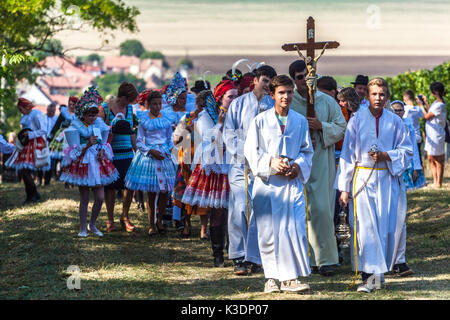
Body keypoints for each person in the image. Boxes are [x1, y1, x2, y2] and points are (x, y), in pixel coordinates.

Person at [336, 78, 413, 293]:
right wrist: (344, 187)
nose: (378, 98)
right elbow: (348, 155)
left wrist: (387, 155)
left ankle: (378, 276)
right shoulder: (357, 119)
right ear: (367, 96)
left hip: (387, 179)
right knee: (364, 229)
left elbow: (407, 150)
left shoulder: (395, 121)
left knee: (385, 229)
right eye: (374, 94)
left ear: (386, 96)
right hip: (362, 179)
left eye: (381, 94)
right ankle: (367, 277)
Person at [244, 75, 314, 293]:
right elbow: (251, 151)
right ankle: (271, 278)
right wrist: (270, 162)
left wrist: (298, 166)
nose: (286, 96)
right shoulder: (260, 120)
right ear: (272, 95)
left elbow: (306, 150)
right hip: (268, 183)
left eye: (289, 92)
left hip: (291, 184)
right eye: (281, 92)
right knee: (268, 230)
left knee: (293, 228)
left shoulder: (300, 121)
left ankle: (290, 277)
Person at [289, 59, 347, 277]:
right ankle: (301, 258)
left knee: (322, 210)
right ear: (294, 80)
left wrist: (322, 127)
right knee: (299, 211)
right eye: (300, 77)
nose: (306, 80)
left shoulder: (326, 101)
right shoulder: (289, 101)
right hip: (296, 163)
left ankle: (325, 259)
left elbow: (342, 127)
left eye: (309, 75)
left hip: (322, 160)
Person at [223, 65, 277, 275]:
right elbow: (229, 132)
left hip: (263, 165)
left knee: (260, 209)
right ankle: (238, 256)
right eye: (264, 80)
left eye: (270, 82)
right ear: (255, 80)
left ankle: (255, 256)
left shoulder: (272, 105)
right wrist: (244, 153)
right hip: (241, 163)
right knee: (240, 207)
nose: (266, 85)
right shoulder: (238, 104)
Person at [182, 81, 238, 267]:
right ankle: (217, 254)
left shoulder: (238, 114)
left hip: (234, 165)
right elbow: (208, 139)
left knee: (236, 212)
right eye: (230, 96)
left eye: (236, 96)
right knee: (218, 212)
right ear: (220, 98)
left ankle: (236, 251)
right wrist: (221, 124)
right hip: (215, 167)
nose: (234, 99)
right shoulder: (207, 116)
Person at [60, 87, 118, 237]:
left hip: (98, 163)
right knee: (84, 198)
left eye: (94, 114)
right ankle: (83, 228)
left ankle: (93, 224)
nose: (92, 117)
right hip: (83, 164)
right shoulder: (75, 128)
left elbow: (105, 143)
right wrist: (87, 145)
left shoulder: (100, 125)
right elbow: (73, 152)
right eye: (89, 114)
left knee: (99, 197)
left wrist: (101, 151)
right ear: (83, 114)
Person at [125, 90, 176, 236]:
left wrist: (166, 149)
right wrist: (150, 151)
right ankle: (151, 224)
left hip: (164, 155)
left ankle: (159, 220)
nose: (157, 106)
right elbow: (140, 140)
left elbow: (169, 138)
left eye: (159, 103)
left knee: (165, 191)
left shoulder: (165, 118)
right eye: (154, 103)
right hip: (150, 156)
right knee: (152, 192)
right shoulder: (144, 120)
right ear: (148, 104)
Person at [98, 82, 139, 232]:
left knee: (129, 185)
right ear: (122, 97)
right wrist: (110, 129)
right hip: (111, 154)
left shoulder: (129, 108)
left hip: (127, 153)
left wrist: (137, 150)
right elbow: (97, 129)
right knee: (111, 187)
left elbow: (132, 131)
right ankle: (110, 220)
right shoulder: (105, 108)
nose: (130, 103)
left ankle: (125, 217)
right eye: (129, 99)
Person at [5, 98, 50, 204]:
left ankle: (33, 194)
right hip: (25, 143)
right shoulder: (25, 116)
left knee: (25, 170)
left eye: (21, 109)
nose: (20, 111)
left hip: (34, 144)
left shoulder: (37, 114)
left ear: (25, 107)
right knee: (23, 170)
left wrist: (29, 134)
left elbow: (43, 130)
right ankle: (31, 194)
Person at [417, 82, 447, 188]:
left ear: (436, 91)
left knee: (438, 158)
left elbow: (427, 116)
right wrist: (426, 103)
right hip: (431, 135)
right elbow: (431, 111)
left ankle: (439, 182)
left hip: (436, 134)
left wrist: (420, 105)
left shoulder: (440, 105)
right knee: (430, 157)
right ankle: (435, 181)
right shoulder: (437, 102)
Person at [48, 97, 78, 179]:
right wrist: (51, 135)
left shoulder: (78, 114)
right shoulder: (64, 113)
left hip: (73, 135)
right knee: (58, 155)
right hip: (62, 135)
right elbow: (57, 124)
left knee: (69, 155)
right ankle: (54, 173)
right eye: (70, 104)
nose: (72, 106)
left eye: (74, 104)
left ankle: (64, 173)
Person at [37, 102, 57, 186]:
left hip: (52, 143)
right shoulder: (41, 118)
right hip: (41, 141)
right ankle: (39, 180)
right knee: (40, 160)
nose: (52, 113)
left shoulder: (56, 119)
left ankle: (47, 181)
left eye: (53, 111)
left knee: (50, 161)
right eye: (50, 111)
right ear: (47, 109)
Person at [403, 90, 424, 162]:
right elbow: (424, 116)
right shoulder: (418, 109)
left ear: (404, 99)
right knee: (419, 161)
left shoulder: (404, 109)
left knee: (409, 162)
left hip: (408, 139)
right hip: (417, 138)